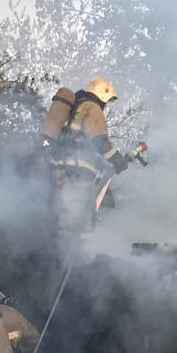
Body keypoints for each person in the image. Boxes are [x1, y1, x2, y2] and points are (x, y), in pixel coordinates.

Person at [48, 77, 130, 249]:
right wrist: (117, 159)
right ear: (102, 96)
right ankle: (72, 261)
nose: (106, 106)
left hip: (60, 170)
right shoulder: (92, 108)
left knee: (64, 215)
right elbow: (99, 141)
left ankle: (59, 256)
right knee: (78, 219)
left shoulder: (75, 109)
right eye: (107, 102)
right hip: (78, 173)